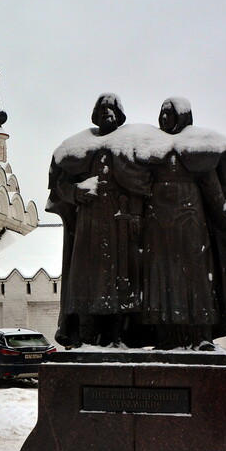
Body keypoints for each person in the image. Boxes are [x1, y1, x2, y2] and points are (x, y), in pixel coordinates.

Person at [139, 97, 226, 349]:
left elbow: (212, 192)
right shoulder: (151, 149)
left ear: (184, 117)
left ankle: (200, 335)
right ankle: (165, 335)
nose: (166, 119)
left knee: (196, 278)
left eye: (171, 114)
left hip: (190, 225)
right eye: (163, 114)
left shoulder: (198, 150)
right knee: (160, 278)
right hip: (157, 227)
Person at [47, 93, 151, 347]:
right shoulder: (78, 146)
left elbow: (141, 184)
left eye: (111, 109)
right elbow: (60, 183)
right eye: (102, 109)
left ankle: (117, 335)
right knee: (86, 278)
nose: (107, 113)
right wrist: (76, 192)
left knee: (120, 279)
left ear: (120, 115)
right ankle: (85, 335)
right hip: (88, 223)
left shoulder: (129, 144)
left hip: (119, 223)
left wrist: (136, 215)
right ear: (95, 115)